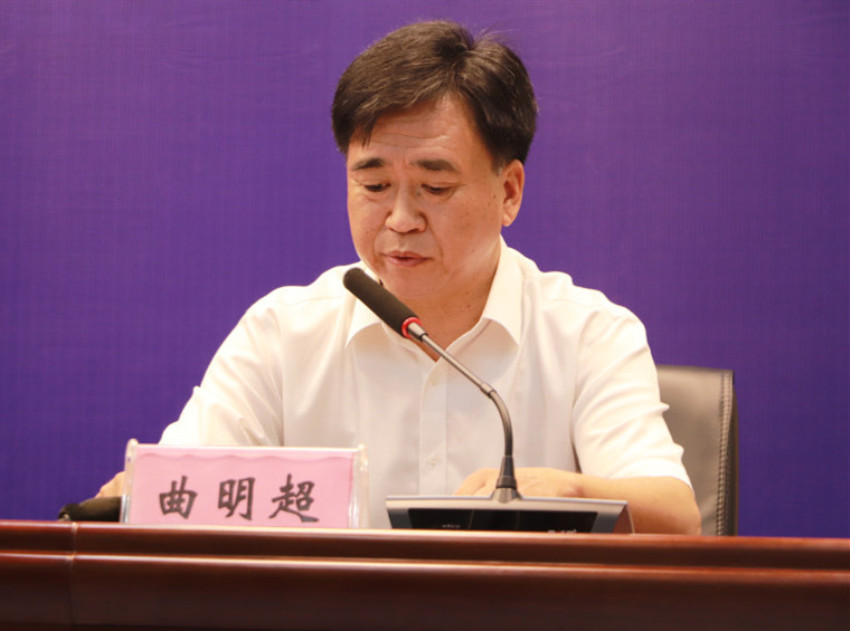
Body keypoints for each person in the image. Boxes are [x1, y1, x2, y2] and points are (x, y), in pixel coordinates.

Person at [98, 20, 701, 534]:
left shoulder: (588, 333)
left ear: (509, 191)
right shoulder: (283, 333)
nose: (401, 219)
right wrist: (140, 494)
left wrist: (571, 491)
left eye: (434, 187)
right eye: (374, 185)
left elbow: (677, 517)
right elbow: (171, 493)